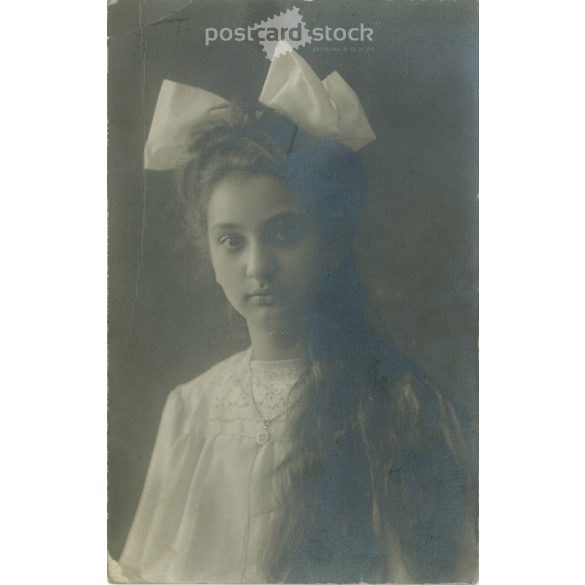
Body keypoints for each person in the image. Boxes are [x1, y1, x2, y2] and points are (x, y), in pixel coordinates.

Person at [113, 48, 477, 584]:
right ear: (210, 256)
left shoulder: (398, 402)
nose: (258, 266)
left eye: (284, 233)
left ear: (329, 243)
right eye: (232, 241)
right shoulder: (192, 408)